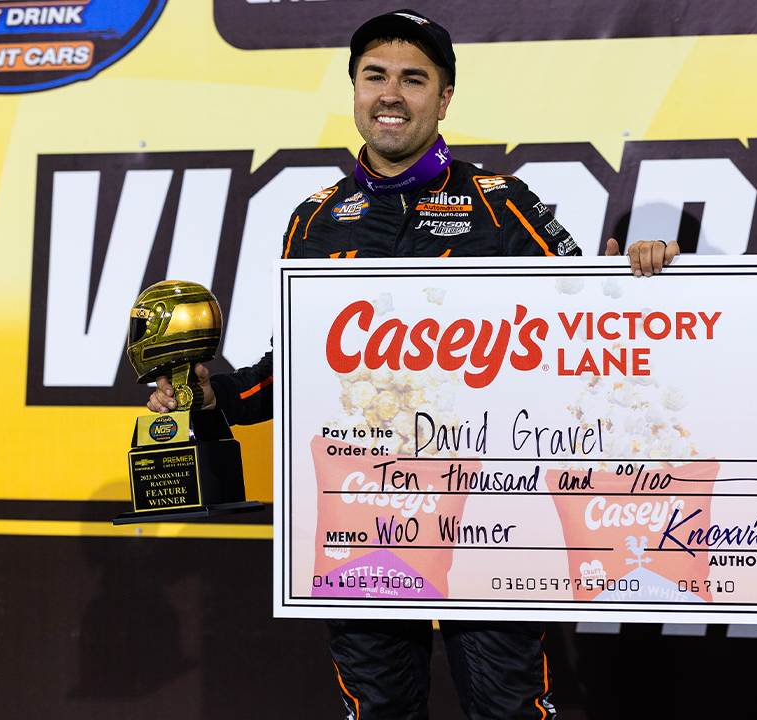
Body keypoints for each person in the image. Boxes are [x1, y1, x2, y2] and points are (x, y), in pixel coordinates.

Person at [147, 9, 678, 718]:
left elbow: (587, 341)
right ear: (356, 90)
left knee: (507, 710)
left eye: (413, 78)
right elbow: (298, 373)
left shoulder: (503, 206)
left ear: (444, 97)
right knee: (379, 711)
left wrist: (638, 283)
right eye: (375, 76)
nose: (391, 93)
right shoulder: (314, 219)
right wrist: (212, 397)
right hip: (361, 517)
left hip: (490, 518)